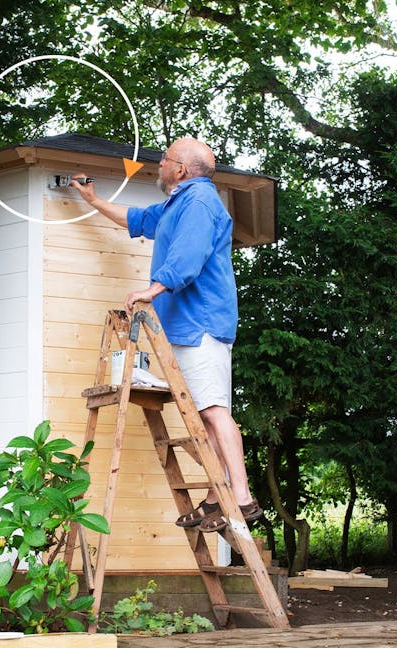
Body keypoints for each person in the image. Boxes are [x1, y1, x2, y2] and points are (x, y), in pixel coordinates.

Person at [69, 137, 262, 533]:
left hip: (202, 323)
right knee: (203, 416)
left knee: (213, 410)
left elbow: (187, 259)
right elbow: (138, 218)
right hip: (188, 325)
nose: (159, 164)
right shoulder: (179, 205)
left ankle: (241, 498)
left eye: (165, 159)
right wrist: (93, 200)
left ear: (181, 169)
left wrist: (151, 290)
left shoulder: (199, 203)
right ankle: (214, 498)